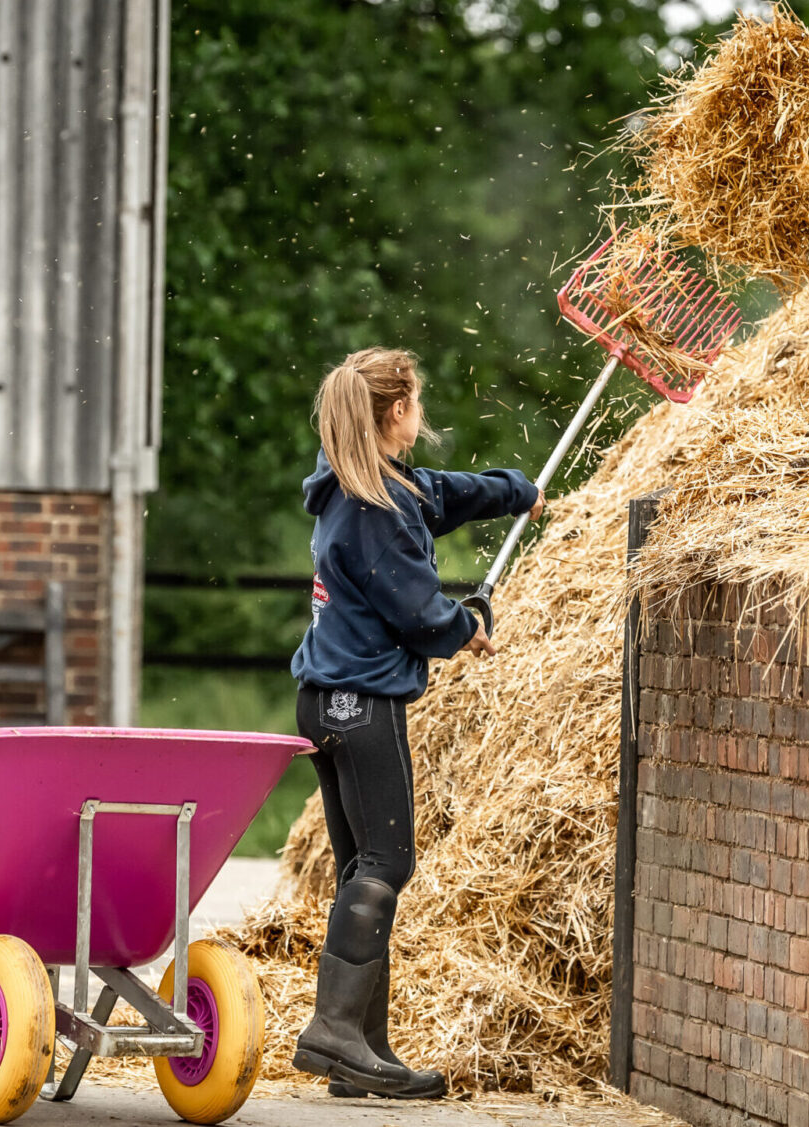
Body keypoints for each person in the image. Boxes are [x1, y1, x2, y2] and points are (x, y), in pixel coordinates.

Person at [288, 347, 541, 1099]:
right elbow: (414, 607)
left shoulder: (357, 489)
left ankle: (362, 1049)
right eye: (416, 402)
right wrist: (462, 628)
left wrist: (513, 491)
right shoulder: (379, 510)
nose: (420, 413)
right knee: (386, 862)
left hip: (325, 698)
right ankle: (333, 1031)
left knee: (359, 867)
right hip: (361, 703)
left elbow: (440, 493)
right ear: (397, 411)